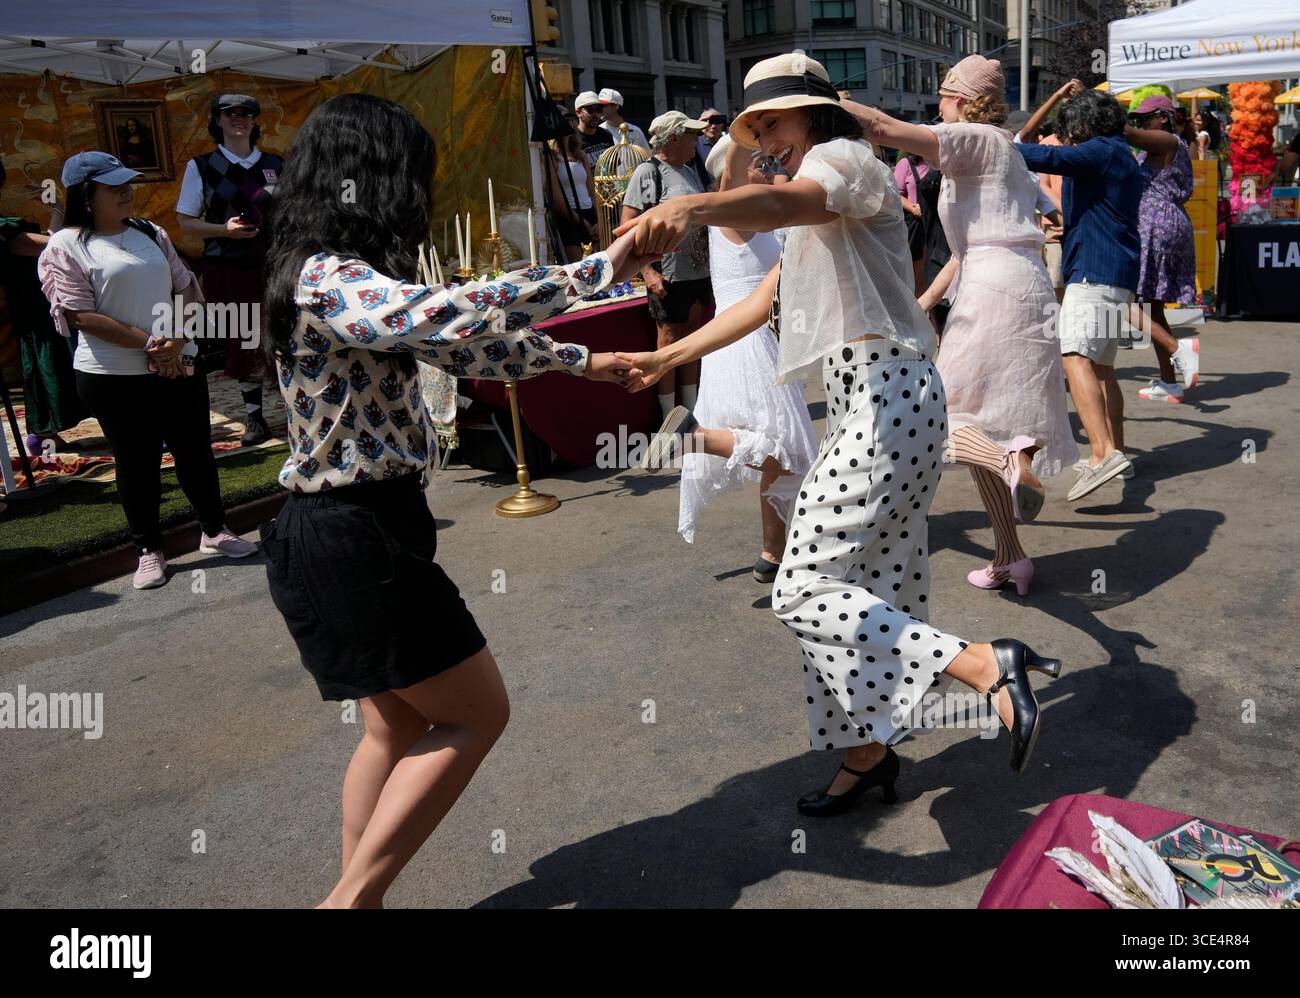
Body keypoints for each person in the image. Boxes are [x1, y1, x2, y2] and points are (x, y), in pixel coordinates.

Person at [615, 54, 1063, 815]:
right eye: (755, 129)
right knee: (860, 596)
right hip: (875, 402)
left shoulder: (844, 161)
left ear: (814, 117)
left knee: (801, 588)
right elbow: (763, 298)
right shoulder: (812, 196)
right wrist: (665, 355)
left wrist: (692, 211)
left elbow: (781, 201)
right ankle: (867, 754)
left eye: (775, 123)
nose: (765, 141)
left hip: (889, 396)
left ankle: (985, 664)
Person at [260, 93, 651, 907]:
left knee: (394, 728)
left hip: (347, 531)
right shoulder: (326, 277)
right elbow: (445, 312)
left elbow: (466, 341)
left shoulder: (332, 274)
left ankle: (354, 899)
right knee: (476, 715)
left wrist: (580, 360)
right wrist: (598, 268)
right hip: (353, 535)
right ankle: (348, 903)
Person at [852, 55, 1075, 598]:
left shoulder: (976, 137)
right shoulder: (1002, 152)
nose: (937, 108)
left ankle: (1009, 463)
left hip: (996, 286)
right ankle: (1010, 556)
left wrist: (814, 99)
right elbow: (971, 248)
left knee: (939, 417)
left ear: (958, 99)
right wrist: (918, 304)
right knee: (977, 420)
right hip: (1013, 282)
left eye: (943, 98)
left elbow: (882, 127)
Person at [37, 152, 257, 589]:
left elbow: (187, 289)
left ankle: (214, 531)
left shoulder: (149, 232)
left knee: (195, 450)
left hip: (177, 362)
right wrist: (153, 345)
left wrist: (176, 341)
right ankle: (148, 549)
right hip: (113, 374)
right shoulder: (65, 244)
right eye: (113, 186)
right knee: (137, 462)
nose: (127, 192)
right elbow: (79, 314)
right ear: (86, 195)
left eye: (128, 184)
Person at [657, 134, 817, 582]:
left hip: (751, 336)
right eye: (757, 161)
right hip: (746, 339)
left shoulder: (755, 216)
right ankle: (696, 435)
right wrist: (750, 130)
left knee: (779, 455)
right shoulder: (731, 207)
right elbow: (730, 173)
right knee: (785, 451)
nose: (765, 167)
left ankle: (773, 553)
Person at [1016, 83, 1148, 501]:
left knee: (1074, 356)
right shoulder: (1118, 154)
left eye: (1072, 132)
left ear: (1087, 126)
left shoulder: (1103, 149)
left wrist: (989, 143)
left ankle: (1103, 453)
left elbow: (1044, 154)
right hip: (1115, 271)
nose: (1068, 139)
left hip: (1093, 271)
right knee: (1103, 370)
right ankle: (1118, 452)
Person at [176, 94, 284, 446]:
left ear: (255, 122)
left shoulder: (276, 164)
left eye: (247, 113)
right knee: (244, 340)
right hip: (227, 267)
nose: (240, 118)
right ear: (217, 120)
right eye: (231, 113)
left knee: (282, 335)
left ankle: (296, 410)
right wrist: (225, 230)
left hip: (272, 265)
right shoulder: (202, 166)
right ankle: (255, 418)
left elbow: (289, 213)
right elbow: (186, 223)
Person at [621, 110, 713, 421]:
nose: (697, 140)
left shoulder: (688, 171)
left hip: (697, 270)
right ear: (674, 137)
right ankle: (669, 415)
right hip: (669, 272)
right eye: (692, 135)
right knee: (670, 339)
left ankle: (690, 410)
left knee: (692, 338)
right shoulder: (649, 172)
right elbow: (629, 225)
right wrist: (647, 272)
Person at [0, 157, 90, 456]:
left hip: (45, 305)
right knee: (47, 365)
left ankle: (46, 433)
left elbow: (52, 241)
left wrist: (55, 208)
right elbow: (53, 245)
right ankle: (43, 434)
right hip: (35, 311)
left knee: (59, 362)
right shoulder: (5, 231)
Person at [1125, 95, 1202, 405]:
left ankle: (1177, 348)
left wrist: (1096, 110)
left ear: (1163, 117)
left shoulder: (1168, 140)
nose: (1142, 123)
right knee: (1151, 307)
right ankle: (1169, 381)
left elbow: (1127, 134)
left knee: (1123, 301)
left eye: (1147, 117)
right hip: (1161, 224)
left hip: (1157, 226)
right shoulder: (1165, 145)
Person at [545, 126, 599, 261]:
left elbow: (592, 191)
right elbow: (557, 199)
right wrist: (582, 222)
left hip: (589, 212)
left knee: (597, 263)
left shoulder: (580, 155)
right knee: (578, 267)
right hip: (568, 216)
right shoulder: (552, 157)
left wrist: (598, 221)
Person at [893, 151, 930, 294]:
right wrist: (914, 207)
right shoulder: (906, 164)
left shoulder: (939, 164)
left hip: (937, 226)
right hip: (916, 225)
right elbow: (896, 193)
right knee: (917, 274)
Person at [573, 91, 615, 168]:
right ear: (578, 112)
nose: (596, 115)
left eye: (599, 110)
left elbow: (613, 168)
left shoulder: (606, 135)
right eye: (590, 110)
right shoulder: (573, 140)